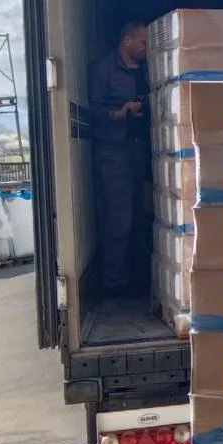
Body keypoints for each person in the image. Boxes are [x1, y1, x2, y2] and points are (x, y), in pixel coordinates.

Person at [88, 20, 151, 298]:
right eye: (143, 42)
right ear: (127, 41)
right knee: (119, 216)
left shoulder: (148, 70)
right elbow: (94, 110)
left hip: (140, 150)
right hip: (113, 152)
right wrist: (119, 113)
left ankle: (140, 277)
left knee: (141, 214)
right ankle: (113, 282)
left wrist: (143, 105)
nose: (147, 48)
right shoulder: (103, 70)